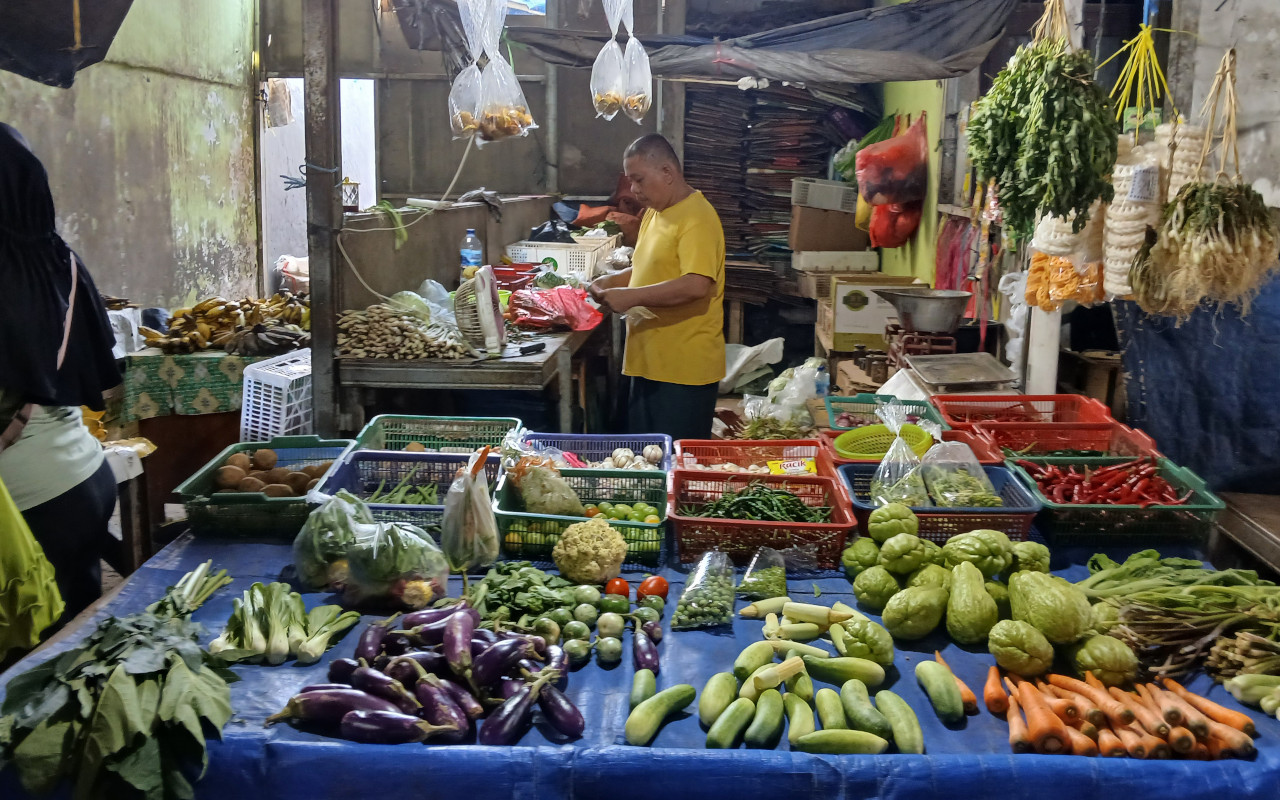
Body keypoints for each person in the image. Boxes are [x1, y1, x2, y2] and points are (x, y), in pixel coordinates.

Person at [0, 123, 122, 623]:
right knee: (70, 656)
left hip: (26, 509)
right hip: (82, 481)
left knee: (26, 679)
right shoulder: (59, 258)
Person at [589, 134, 726, 440]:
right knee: (647, 462)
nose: (633, 190)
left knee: (674, 467)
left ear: (667, 172)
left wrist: (630, 297)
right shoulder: (655, 213)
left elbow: (695, 285)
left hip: (682, 371)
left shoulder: (698, 218)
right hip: (649, 363)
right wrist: (608, 282)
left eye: (638, 180)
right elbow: (647, 270)